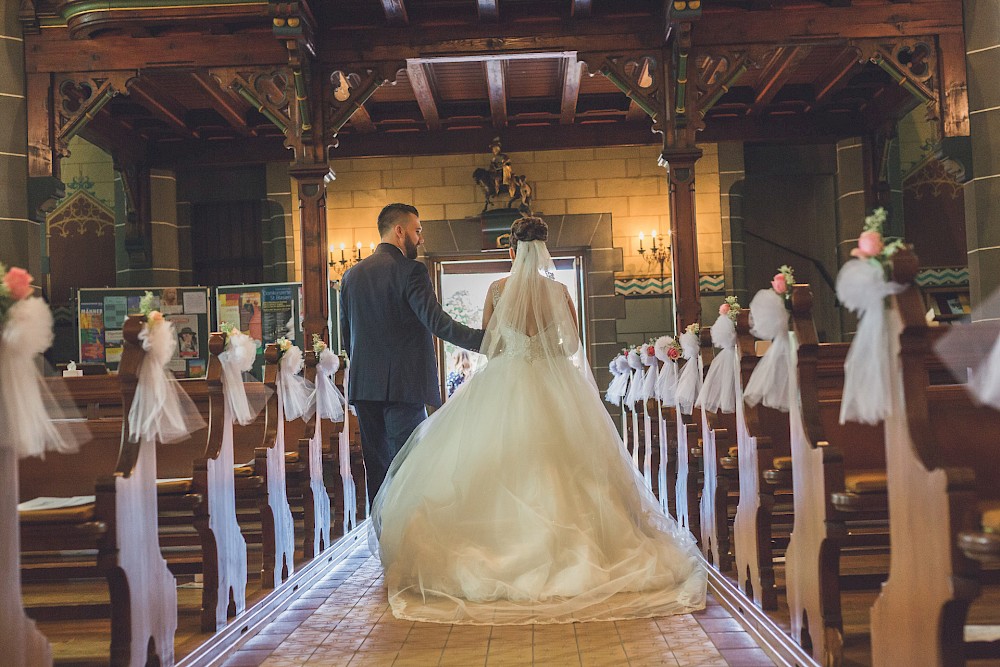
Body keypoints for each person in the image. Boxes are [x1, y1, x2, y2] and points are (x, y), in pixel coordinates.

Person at [372, 216, 706, 625]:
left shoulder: (497, 289)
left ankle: (496, 547)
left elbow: (491, 344)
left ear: (511, 250)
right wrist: (544, 349)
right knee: (567, 466)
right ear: (544, 250)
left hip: (504, 381)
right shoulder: (560, 291)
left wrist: (516, 350)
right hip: (554, 384)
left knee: (492, 464)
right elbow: (574, 345)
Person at [340, 203, 485, 501]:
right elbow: (437, 322)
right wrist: (485, 341)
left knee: (378, 472)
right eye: (417, 231)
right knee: (411, 469)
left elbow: (347, 336)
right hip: (404, 387)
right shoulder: (410, 271)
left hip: (365, 387)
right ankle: (407, 541)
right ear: (399, 231)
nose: (420, 239)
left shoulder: (351, 276)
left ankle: (382, 542)